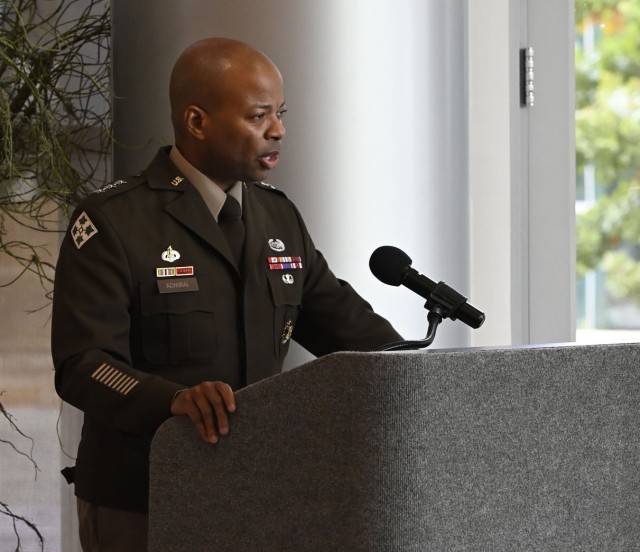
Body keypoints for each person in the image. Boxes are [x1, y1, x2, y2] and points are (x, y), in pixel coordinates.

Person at [51, 37, 402, 551]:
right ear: (196, 122)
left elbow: (348, 328)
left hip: (256, 496)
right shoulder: (113, 222)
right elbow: (84, 364)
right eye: (259, 116)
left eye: (280, 113)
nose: (278, 130)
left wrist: (419, 374)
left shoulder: (278, 216)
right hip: (144, 498)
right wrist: (170, 400)